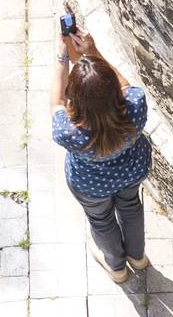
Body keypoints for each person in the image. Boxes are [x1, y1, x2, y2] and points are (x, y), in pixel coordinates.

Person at [51, 26, 153, 283]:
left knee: (101, 220)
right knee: (131, 207)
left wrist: (64, 57)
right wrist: (92, 52)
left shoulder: (69, 132)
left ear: (75, 99)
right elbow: (125, 86)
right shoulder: (135, 106)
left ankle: (117, 268)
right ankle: (138, 258)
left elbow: (56, 104)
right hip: (131, 172)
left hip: (91, 185)